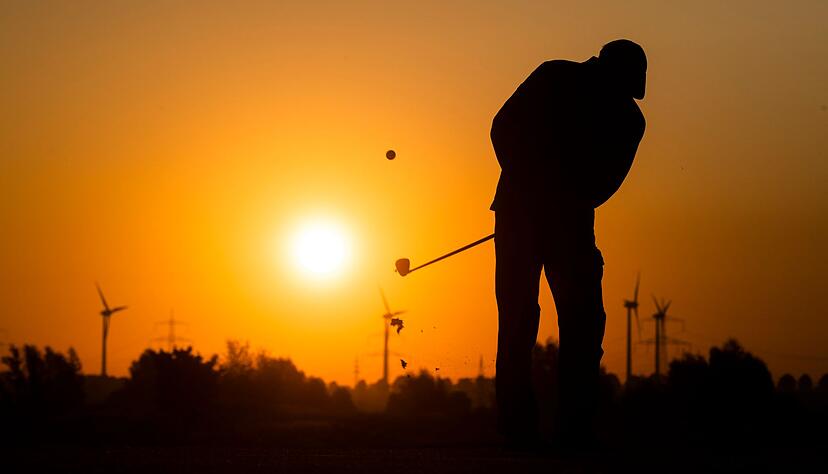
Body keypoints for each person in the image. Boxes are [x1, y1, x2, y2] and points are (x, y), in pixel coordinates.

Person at [490, 39, 647, 447]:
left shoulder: (630, 120)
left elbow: (606, 181)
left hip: (571, 224)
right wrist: (532, 185)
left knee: (584, 321)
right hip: (519, 216)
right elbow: (503, 128)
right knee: (518, 319)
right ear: (604, 70)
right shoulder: (553, 75)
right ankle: (516, 427)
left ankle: (574, 428)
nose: (623, 97)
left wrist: (562, 199)